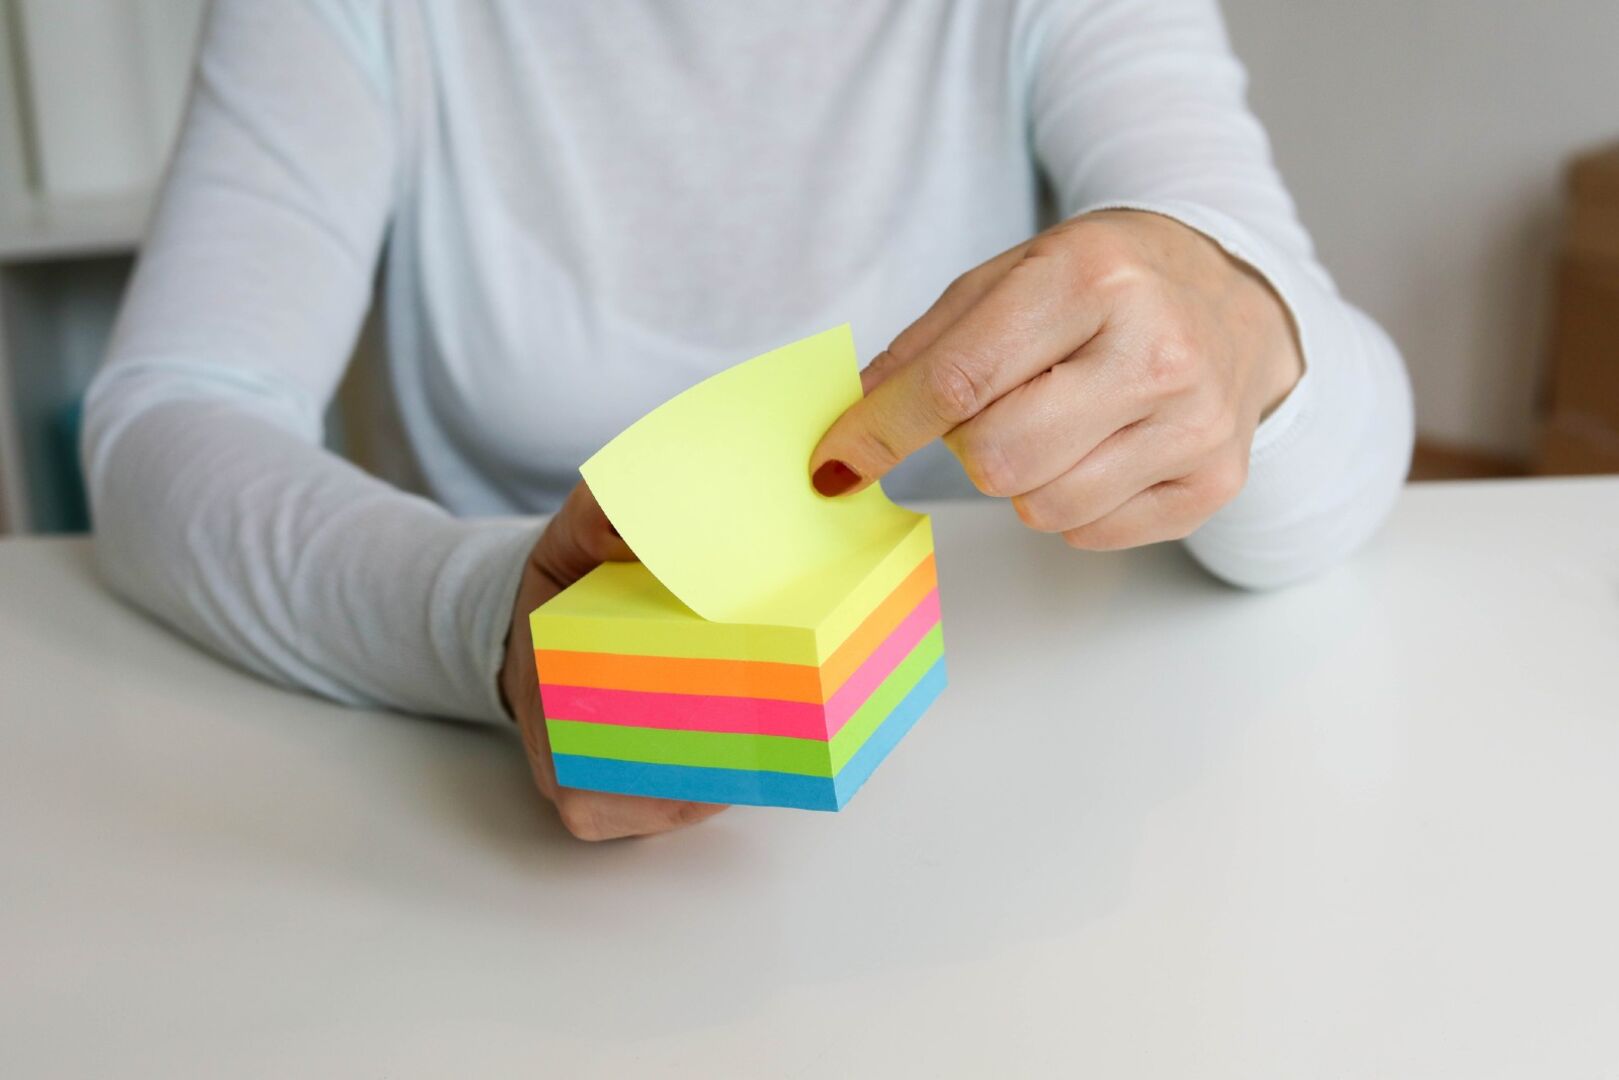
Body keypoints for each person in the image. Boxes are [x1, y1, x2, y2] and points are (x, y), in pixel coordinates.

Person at [83, 0, 1413, 841]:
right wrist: (484, 621)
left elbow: (1330, 484)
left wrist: (1245, 328)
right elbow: (168, 417)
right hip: (482, 860)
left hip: (994, 817)